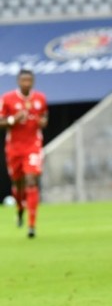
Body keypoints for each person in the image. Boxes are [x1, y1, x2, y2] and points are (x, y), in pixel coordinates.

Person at [0, 69, 47, 239]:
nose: (26, 83)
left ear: (33, 81)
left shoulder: (40, 98)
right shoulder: (7, 98)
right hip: (14, 148)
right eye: (23, 80)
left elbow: (44, 117)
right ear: (18, 82)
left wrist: (43, 122)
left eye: (29, 80)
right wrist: (13, 119)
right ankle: (20, 209)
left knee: (31, 180)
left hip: (33, 146)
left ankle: (32, 225)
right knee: (19, 185)